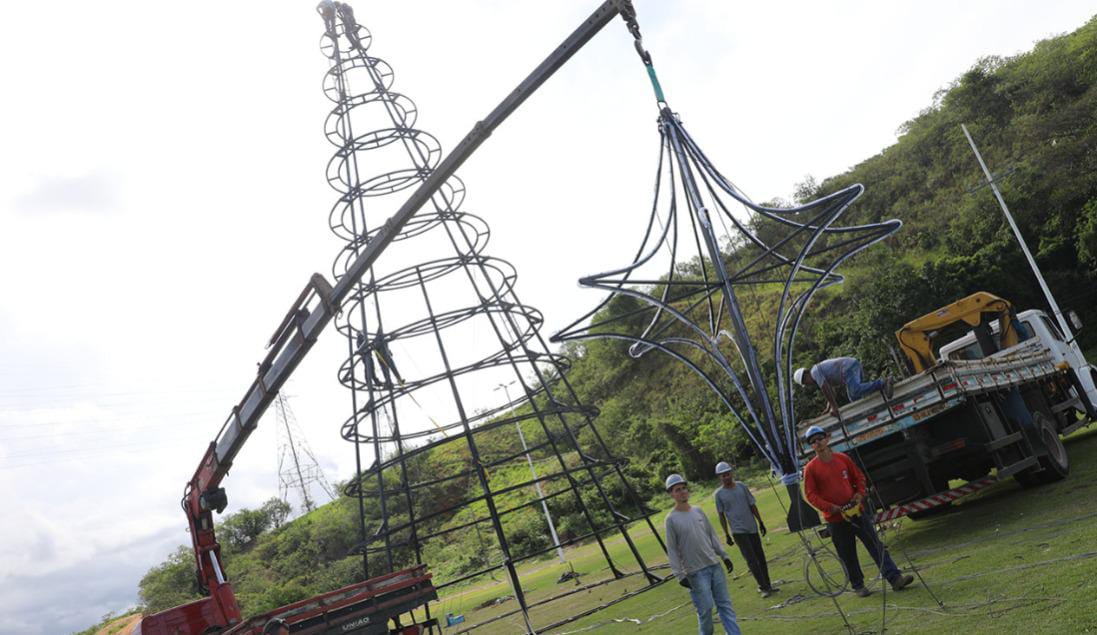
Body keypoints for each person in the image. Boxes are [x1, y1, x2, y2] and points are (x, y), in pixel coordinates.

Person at [802, 426, 914, 597]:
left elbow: (859, 477)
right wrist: (831, 507)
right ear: (811, 446)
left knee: (875, 545)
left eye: (819, 438)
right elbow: (811, 495)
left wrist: (859, 494)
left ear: (827, 439)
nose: (817, 443)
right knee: (847, 554)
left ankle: (895, 578)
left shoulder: (842, 458)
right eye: (813, 442)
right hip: (835, 519)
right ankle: (858, 585)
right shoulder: (810, 469)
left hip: (857, 512)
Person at [664, 473, 742, 635]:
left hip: (714, 566)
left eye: (684, 488)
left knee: (725, 605)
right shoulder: (671, 520)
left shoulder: (698, 511)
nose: (682, 492)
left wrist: (724, 555)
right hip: (695, 573)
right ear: (671, 494)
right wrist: (679, 575)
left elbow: (711, 535)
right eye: (678, 490)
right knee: (706, 610)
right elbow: (672, 549)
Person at [713, 461, 780, 598]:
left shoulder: (742, 487)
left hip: (752, 527)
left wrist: (760, 522)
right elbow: (721, 515)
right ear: (719, 478)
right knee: (751, 559)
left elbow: (752, 505)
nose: (726, 477)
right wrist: (726, 534)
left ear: (731, 473)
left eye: (727, 474)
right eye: (723, 476)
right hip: (738, 532)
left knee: (760, 557)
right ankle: (763, 587)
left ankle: (768, 584)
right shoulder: (719, 495)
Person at [794, 357, 893, 417]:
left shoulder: (814, 372)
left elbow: (825, 389)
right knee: (854, 397)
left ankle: (882, 383)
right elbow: (832, 392)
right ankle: (878, 402)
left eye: (806, 383)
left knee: (855, 390)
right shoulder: (819, 373)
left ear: (805, 375)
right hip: (851, 366)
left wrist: (834, 407)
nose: (809, 385)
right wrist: (828, 408)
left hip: (848, 368)